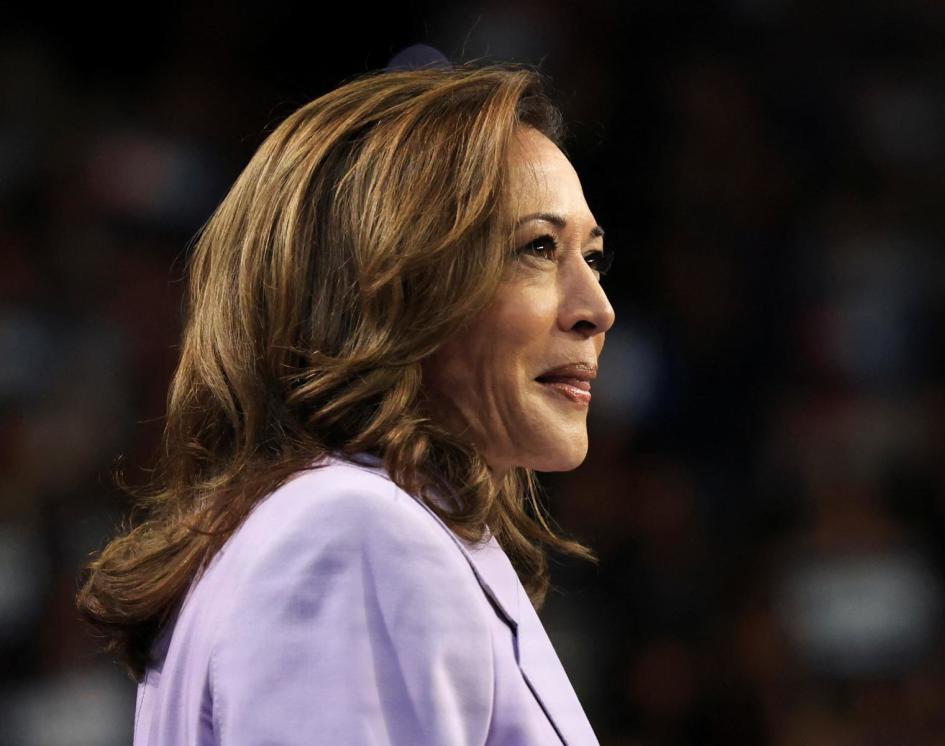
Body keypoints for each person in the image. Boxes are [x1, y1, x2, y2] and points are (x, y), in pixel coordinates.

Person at [75, 60, 615, 745]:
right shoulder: (355, 536)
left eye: (591, 258)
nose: (597, 310)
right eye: (538, 247)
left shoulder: (325, 527)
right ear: (388, 284)